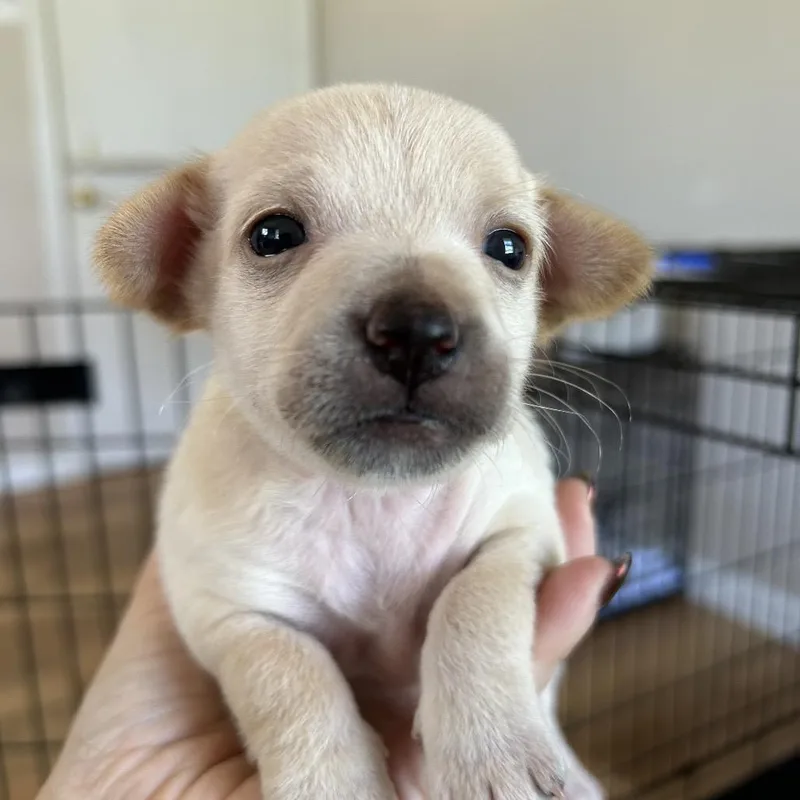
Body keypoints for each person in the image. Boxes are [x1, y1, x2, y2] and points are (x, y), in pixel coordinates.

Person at [36, 477, 629, 800]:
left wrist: (480, 668)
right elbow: (227, 613)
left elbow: (525, 536)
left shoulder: (503, 464)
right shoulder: (211, 482)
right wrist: (308, 740)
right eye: (277, 241)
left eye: (505, 246)